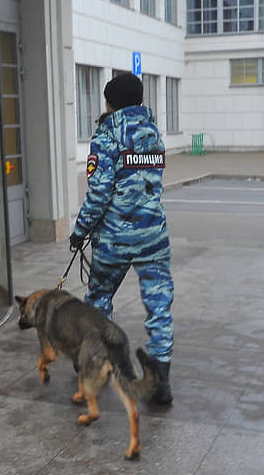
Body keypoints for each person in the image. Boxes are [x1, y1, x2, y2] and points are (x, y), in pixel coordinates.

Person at [69, 72, 174, 405]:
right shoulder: (153, 132)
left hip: (115, 237)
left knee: (98, 301)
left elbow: (99, 193)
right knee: (160, 308)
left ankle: (98, 367)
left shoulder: (106, 135)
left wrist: (80, 231)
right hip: (153, 235)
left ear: (110, 102)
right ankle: (161, 382)